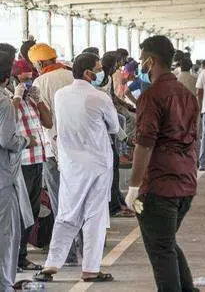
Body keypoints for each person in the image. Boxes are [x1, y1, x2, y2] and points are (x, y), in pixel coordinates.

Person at [34, 53, 120, 283]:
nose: (101, 72)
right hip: (98, 164)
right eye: (98, 68)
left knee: (66, 214)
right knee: (95, 216)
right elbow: (114, 127)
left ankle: (51, 265)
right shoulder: (99, 97)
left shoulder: (61, 95)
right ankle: (90, 268)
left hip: (70, 165)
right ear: (88, 73)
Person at [125, 35, 200, 291]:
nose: (139, 65)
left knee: (160, 251)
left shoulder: (152, 96)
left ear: (150, 61)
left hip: (159, 187)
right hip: (186, 184)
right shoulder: (187, 95)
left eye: (141, 60)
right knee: (166, 244)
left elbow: (144, 143)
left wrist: (134, 186)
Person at [28, 43, 81, 264]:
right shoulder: (72, 77)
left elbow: (46, 121)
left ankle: (67, 253)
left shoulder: (40, 83)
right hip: (80, 148)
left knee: (61, 201)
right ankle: (85, 247)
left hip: (54, 150)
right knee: (80, 198)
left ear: (40, 64)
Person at [11, 59, 53, 272]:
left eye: (31, 76)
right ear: (15, 76)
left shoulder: (32, 100)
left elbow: (48, 123)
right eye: (24, 77)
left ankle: (22, 256)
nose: (28, 80)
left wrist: (40, 101)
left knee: (33, 210)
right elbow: (8, 121)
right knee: (20, 211)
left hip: (38, 159)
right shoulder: (10, 99)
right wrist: (17, 97)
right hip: (22, 162)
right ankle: (14, 257)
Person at [0, 51, 35, 291]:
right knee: (6, 234)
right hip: (3, 178)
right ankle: (4, 283)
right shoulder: (4, 103)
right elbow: (8, 140)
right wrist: (26, 140)